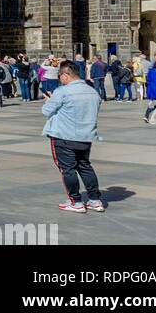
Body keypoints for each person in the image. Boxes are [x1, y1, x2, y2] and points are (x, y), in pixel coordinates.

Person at [44, 61, 104, 213]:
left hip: (64, 135)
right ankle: (95, 200)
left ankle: (76, 202)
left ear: (65, 75)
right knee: (85, 166)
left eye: (60, 76)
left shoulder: (62, 91)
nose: (59, 79)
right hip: (85, 136)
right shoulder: (92, 91)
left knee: (68, 169)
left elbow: (46, 111)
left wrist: (49, 100)